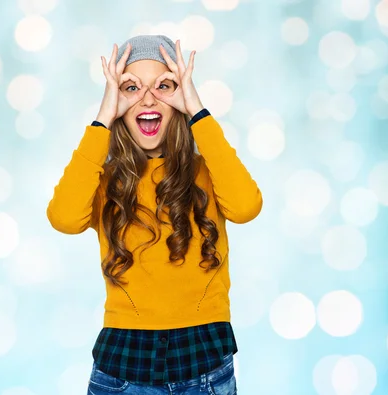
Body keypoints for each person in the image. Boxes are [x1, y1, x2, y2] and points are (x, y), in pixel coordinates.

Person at [47, 34, 262, 394]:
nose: (148, 98)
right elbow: (64, 218)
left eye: (164, 85)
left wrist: (196, 109)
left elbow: (245, 207)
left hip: (204, 357)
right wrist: (102, 117)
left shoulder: (208, 171)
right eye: (131, 87)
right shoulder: (105, 180)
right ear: (117, 102)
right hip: (123, 363)